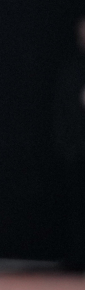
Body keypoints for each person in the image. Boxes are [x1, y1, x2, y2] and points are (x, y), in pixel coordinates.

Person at [52, 17, 85, 272]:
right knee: (74, 208)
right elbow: (62, 112)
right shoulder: (70, 70)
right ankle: (75, 256)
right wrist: (66, 147)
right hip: (76, 151)